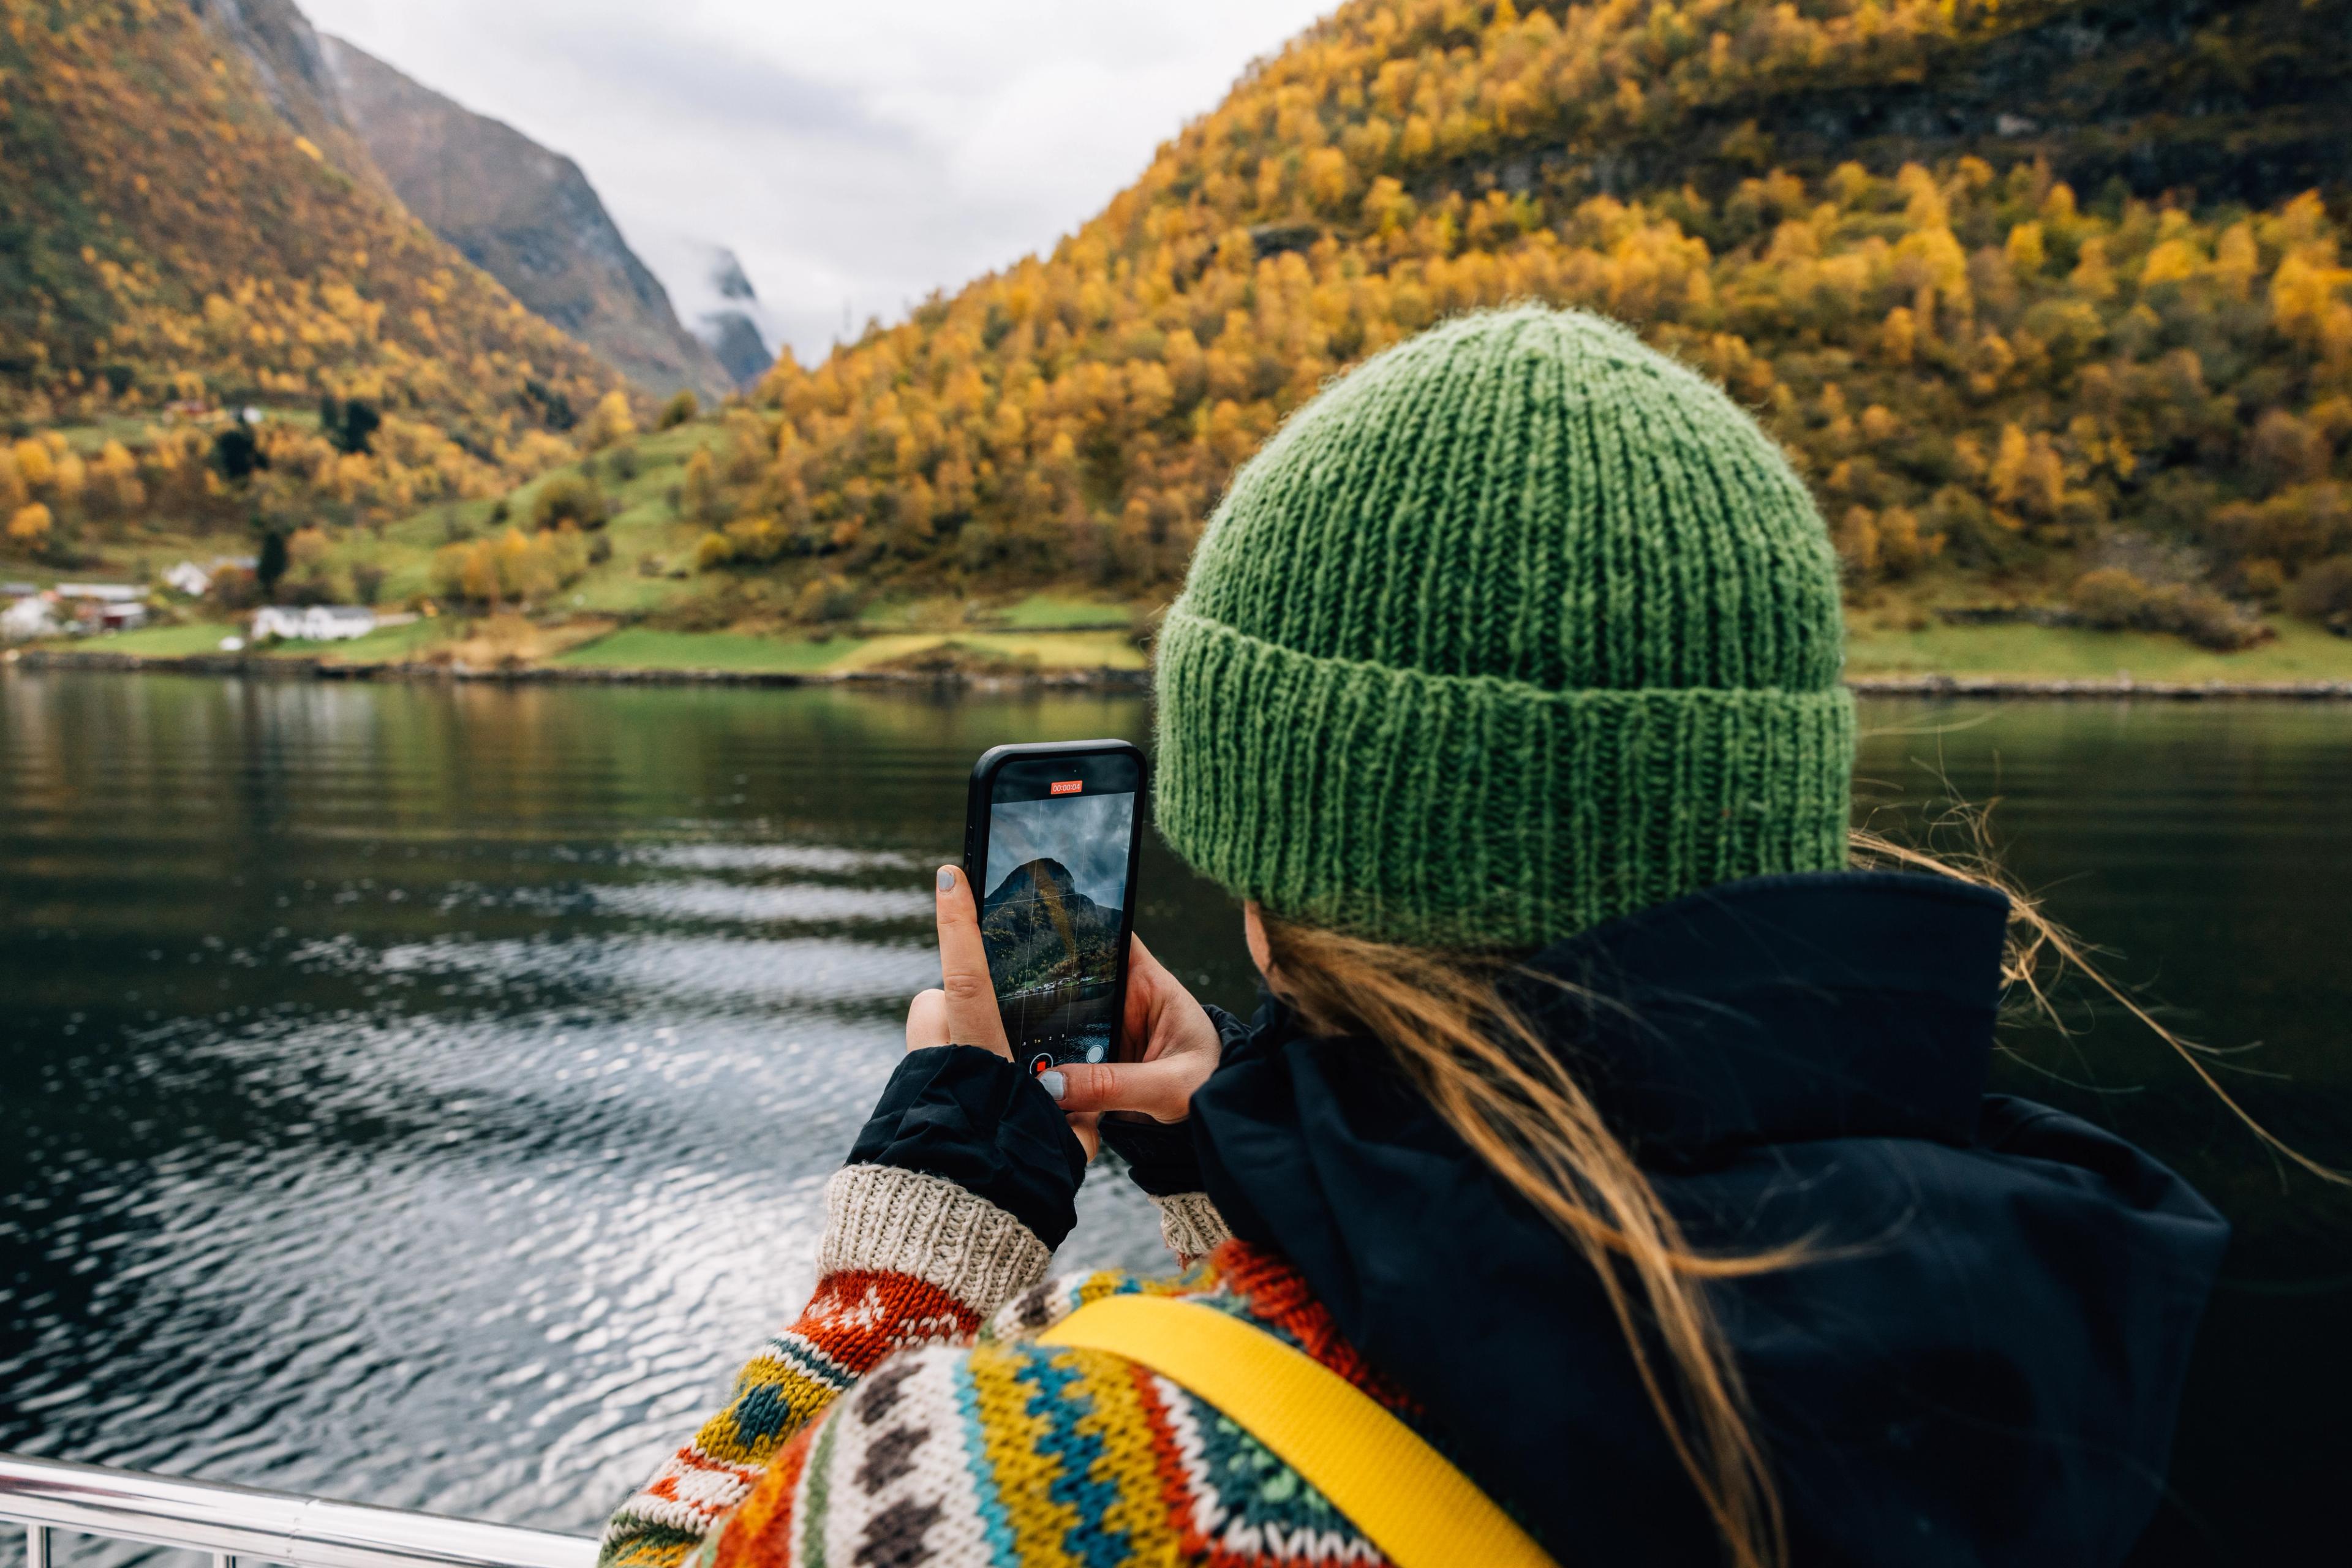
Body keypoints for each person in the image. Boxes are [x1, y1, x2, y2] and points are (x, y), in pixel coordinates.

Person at [597, 307, 2228, 1568]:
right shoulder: (2075, 1328)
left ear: (1271, 879)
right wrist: (1240, 1169)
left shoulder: (1066, 1486)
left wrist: (918, 1256)